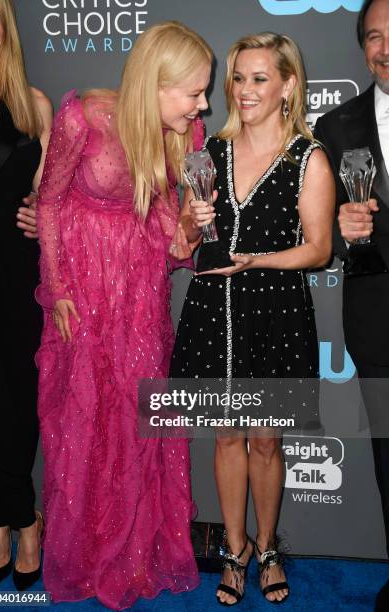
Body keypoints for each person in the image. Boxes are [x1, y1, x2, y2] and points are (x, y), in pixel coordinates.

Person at [35, 21, 212, 610]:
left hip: (140, 296)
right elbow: (53, 204)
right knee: (85, 418)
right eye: (193, 92)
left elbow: (173, 242)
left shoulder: (185, 137)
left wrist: (191, 229)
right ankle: (83, 556)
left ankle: (136, 554)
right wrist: (58, 287)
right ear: (157, 85)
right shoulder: (84, 116)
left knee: (139, 416)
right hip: (82, 293)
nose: (202, 104)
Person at [170, 32, 335, 605]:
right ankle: (234, 550)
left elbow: (318, 249)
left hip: (276, 312)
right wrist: (191, 223)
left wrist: (256, 262)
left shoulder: (307, 157)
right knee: (226, 437)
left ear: (288, 85)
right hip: (214, 310)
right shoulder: (206, 152)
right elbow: (179, 245)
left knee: (266, 442)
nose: (243, 90)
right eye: (238, 77)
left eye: (259, 78)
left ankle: (267, 547)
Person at [314, 1, 389, 609]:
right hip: (379, 321)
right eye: (374, 37)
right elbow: (323, 237)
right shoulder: (337, 127)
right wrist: (344, 230)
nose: (386, 47)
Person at [0, 0, 52, 592]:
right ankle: (18, 516)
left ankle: (6, 522)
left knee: (16, 395)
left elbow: (53, 200)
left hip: (15, 271)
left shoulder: (32, 107)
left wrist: (40, 216)